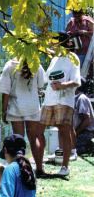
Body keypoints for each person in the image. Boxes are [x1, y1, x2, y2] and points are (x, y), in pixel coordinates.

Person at [0, 58, 46, 177]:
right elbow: (41, 85)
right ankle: (39, 168)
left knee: (19, 140)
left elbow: (5, 92)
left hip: (16, 107)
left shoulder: (10, 65)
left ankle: (21, 170)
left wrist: (3, 110)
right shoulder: (36, 64)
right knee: (33, 138)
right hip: (32, 106)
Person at [40, 33, 81, 176]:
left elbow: (76, 81)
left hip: (64, 100)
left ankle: (65, 167)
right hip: (49, 100)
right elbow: (46, 78)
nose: (51, 44)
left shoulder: (72, 58)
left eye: (54, 41)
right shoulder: (54, 58)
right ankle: (39, 166)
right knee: (39, 130)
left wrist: (62, 85)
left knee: (64, 131)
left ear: (61, 43)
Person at [71, 77, 94, 154]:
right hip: (79, 131)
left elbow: (87, 120)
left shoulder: (81, 98)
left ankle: (88, 146)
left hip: (85, 132)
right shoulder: (75, 98)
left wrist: (75, 133)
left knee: (71, 149)